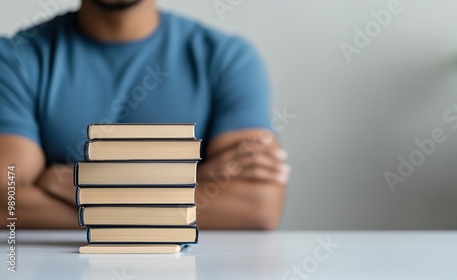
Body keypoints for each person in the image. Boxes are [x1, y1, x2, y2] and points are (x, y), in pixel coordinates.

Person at [0, 0, 289, 229]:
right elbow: (7, 203)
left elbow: (256, 205)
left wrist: (74, 182)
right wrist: (194, 184)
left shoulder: (227, 59)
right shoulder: (15, 60)